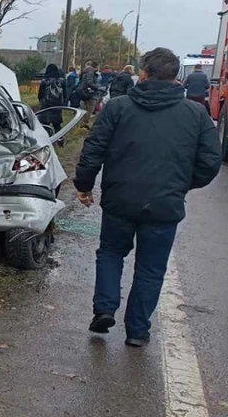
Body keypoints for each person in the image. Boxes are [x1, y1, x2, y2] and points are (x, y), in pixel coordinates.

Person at [74, 47, 222, 347]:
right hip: (164, 205)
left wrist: (84, 185)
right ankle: (138, 331)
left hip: (120, 199)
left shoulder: (118, 108)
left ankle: (104, 308)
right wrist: (180, 185)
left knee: (111, 253)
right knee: (151, 268)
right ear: (176, 76)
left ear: (142, 73)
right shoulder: (195, 114)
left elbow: (93, 149)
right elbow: (210, 162)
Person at [37, 63, 67, 133]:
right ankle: (59, 139)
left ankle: (47, 139)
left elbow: (40, 94)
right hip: (57, 106)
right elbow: (65, 94)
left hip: (46, 107)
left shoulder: (44, 81)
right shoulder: (62, 81)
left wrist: (41, 102)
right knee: (57, 125)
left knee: (45, 125)